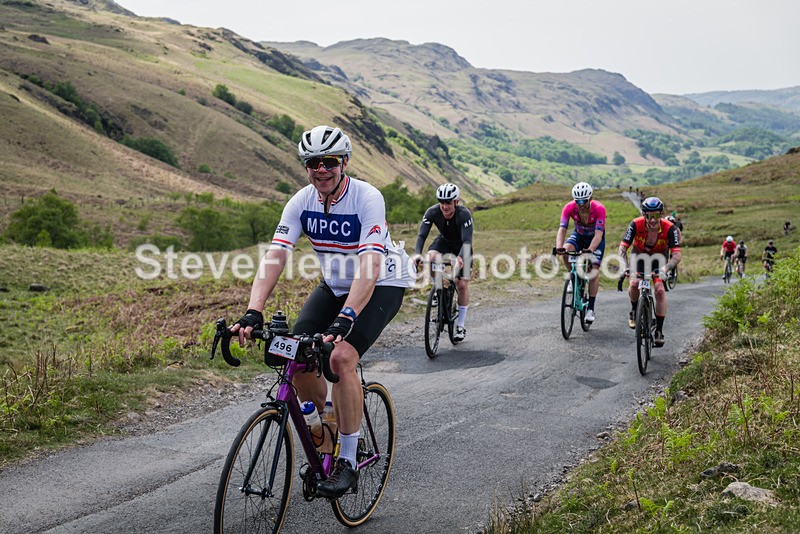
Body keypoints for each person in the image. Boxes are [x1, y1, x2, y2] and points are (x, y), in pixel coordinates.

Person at [230, 125, 414, 498]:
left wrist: (347, 317)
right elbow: (277, 255)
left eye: (330, 161)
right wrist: (253, 311)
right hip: (335, 284)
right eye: (313, 162)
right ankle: (325, 424)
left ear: (343, 162)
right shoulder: (301, 201)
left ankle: (347, 459)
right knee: (294, 354)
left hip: (382, 282)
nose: (321, 169)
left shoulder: (367, 198)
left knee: (342, 357)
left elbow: (370, 263)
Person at [618, 197, 681, 347]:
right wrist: (626, 266)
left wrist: (665, 269)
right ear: (643, 214)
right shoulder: (635, 224)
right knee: (634, 283)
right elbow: (622, 248)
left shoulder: (670, 228)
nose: (652, 220)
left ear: (662, 214)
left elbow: (677, 256)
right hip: (638, 255)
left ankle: (659, 330)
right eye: (648, 216)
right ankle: (634, 310)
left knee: (659, 290)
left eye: (656, 216)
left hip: (659, 258)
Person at [414, 183, 473, 341]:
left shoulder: (464, 214)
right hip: (444, 242)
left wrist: (460, 258)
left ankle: (460, 326)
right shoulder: (432, 212)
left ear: (456, 202)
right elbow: (421, 236)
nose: (445, 207)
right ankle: (438, 287)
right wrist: (417, 254)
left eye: (448, 202)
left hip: (462, 246)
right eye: (442, 202)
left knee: (461, 283)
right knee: (431, 257)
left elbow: (467, 241)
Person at [554, 182, 606, 323]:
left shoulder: (599, 209)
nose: (581, 204)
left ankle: (590, 308)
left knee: (593, 270)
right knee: (566, 251)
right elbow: (562, 229)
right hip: (579, 234)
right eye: (578, 201)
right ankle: (573, 277)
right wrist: (559, 247)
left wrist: (591, 249)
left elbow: (598, 235)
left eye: (584, 200)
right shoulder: (569, 208)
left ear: (590, 198)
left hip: (595, 238)